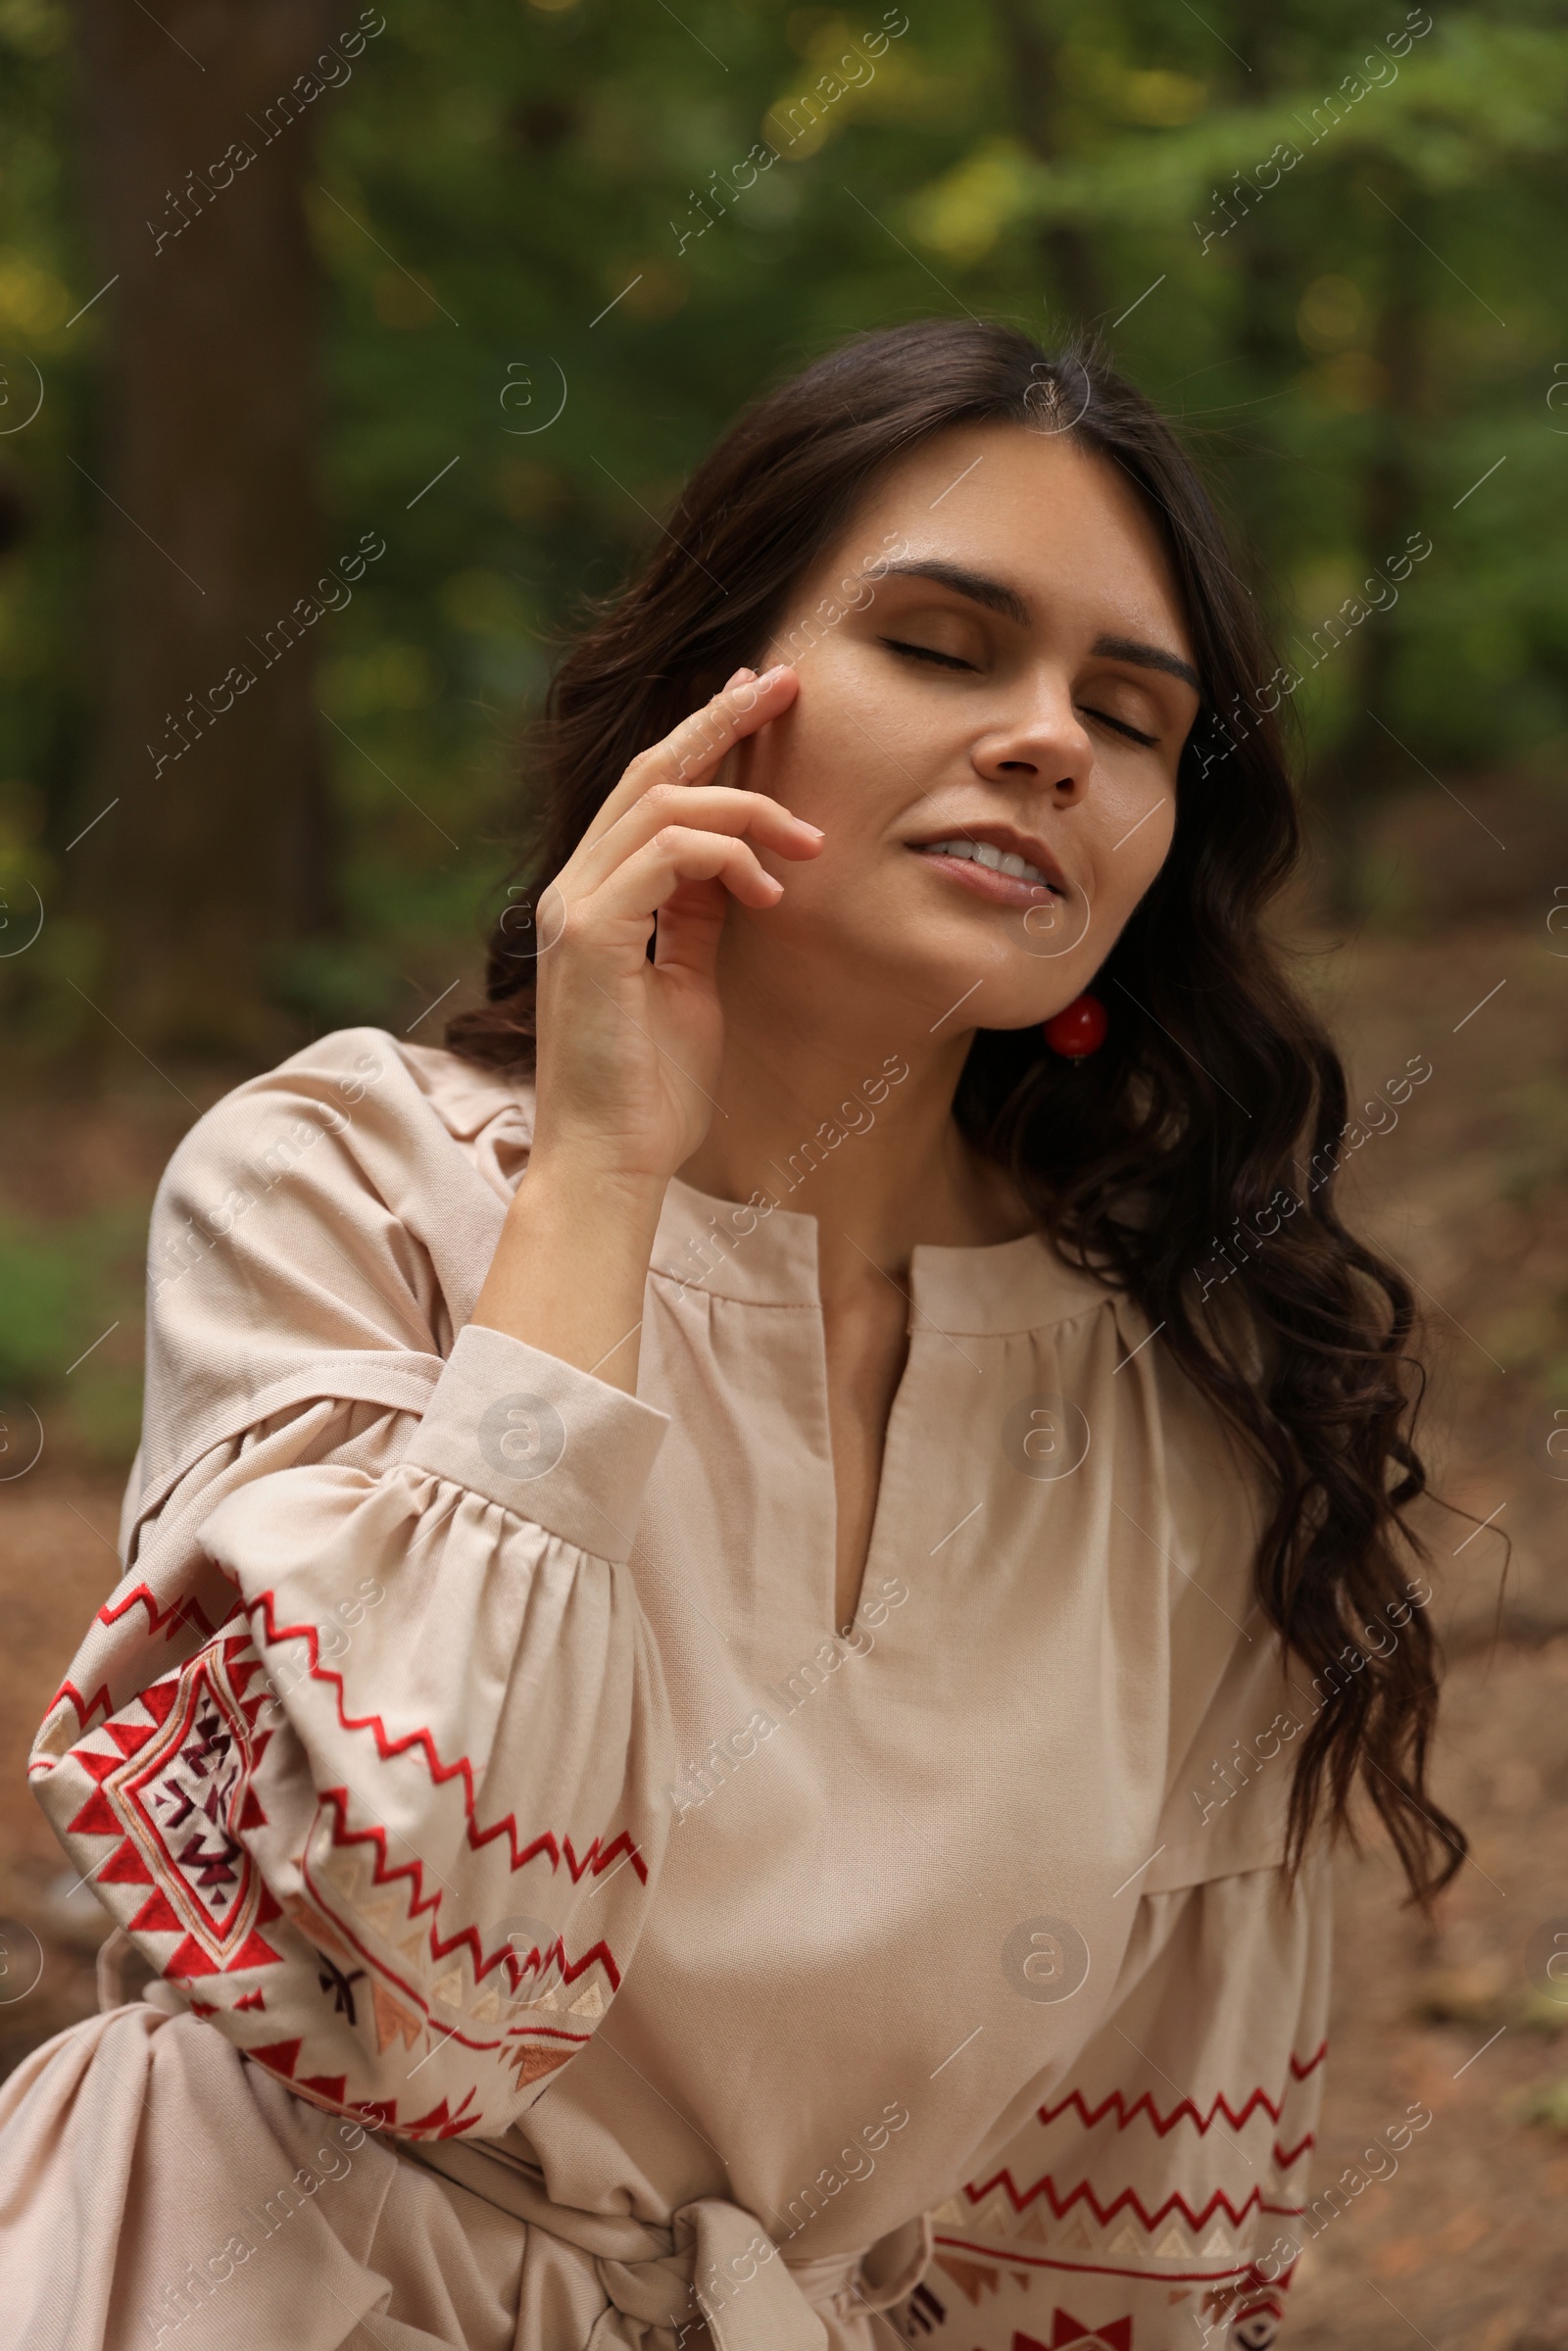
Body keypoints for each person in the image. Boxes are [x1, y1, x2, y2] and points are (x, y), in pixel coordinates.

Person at [0, 319, 1461, 2351]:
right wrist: (598, 1177)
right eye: (945, 646)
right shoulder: (347, 1190)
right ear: (713, 709)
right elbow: (424, 1988)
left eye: (1128, 715)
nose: (1048, 736)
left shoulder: (1183, 1419)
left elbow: (1115, 2252)